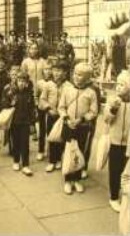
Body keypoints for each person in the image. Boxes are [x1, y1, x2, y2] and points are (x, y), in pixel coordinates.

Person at [58, 62, 98, 195]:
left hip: (82, 127)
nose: (76, 76)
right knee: (68, 152)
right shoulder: (67, 90)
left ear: (87, 78)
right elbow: (61, 107)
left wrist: (81, 119)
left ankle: (77, 179)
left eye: (80, 75)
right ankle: (68, 180)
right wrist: (66, 119)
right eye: (75, 73)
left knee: (80, 152)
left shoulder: (91, 93)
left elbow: (94, 111)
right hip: (68, 126)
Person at [104, 70, 130, 213]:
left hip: (128, 144)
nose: (118, 87)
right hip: (115, 142)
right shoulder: (112, 100)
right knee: (114, 170)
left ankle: (124, 193)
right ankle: (114, 197)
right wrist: (113, 109)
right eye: (118, 84)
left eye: (122, 84)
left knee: (126, 171)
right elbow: (106, 120)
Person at [40, 60, 72, 172]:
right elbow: (42, 100)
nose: (57, 73)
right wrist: (48, 108)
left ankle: (59, 159)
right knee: (52, 137)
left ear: (65, 73)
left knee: (62, 138)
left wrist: (66, 113)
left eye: (60, 71)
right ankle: (52, 161)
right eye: (55, 70)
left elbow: (71, 102)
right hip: (51, 115)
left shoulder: (69, 86)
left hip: (63, 116)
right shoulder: (48, 85)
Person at [1, 71, 35, 176]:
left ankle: (25, 164)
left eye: (23, 81)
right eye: (19, 81)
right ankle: (16, 161)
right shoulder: (11, 92)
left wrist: (32, 123)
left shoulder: (29, 94)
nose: (21, 83)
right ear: (16, 81)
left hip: (25, 122)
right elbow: (3, 104)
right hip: (14, 122)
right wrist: (10, 103)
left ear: (27, 83)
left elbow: (32, 109)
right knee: (16, 142)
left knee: (25, 143)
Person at [21, 42, 48, 153]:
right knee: (28, 117)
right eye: (32, 48)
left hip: (41, 93)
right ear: (28, 50)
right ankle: (25, 145)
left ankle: (41, 148)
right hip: (29, 93)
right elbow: (22, 77)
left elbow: (47, 75)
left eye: (36, 48)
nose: (34, 50)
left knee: (41, 120)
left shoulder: (43, 62)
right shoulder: (25, 62)